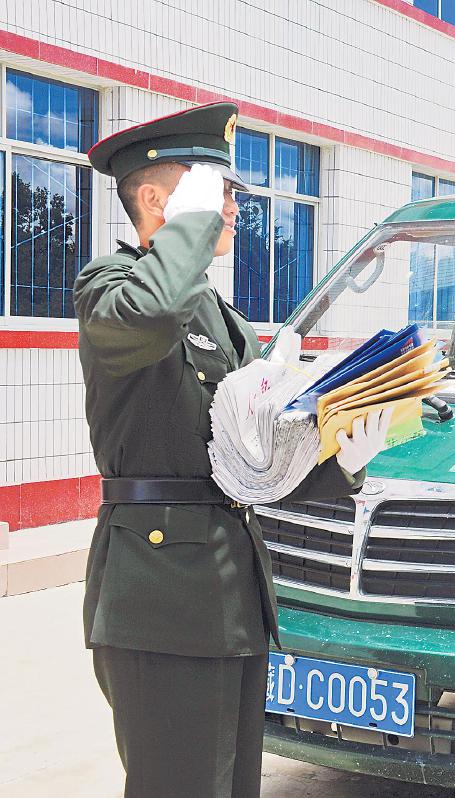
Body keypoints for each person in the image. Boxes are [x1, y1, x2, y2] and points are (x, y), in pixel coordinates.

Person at [75, 102, 391, 798]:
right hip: (159, 594)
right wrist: (186, 225)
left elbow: (257, 462)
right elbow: (153, 314)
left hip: (231, 592)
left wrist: (340, 461)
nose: (233, 206)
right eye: (215, 190)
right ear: (155, 200)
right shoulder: (108, 287)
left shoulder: (223, 319)